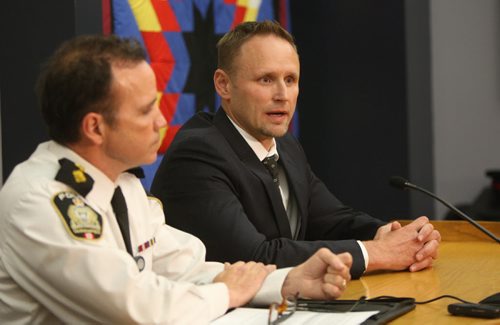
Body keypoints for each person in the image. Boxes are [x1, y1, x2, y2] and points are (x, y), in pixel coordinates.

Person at [0, 35, 353, 324]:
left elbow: (186, 267)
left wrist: (288, 282)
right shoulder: (40, 202)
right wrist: (228, 292)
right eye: (144, 110)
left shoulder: (121, 184)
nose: (160, 121)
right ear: (95, 127)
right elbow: (139, 311)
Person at [151, 20, 441, 280]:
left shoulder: (285, 145)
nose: (282, 95)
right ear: (224, 85)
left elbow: (331, 220)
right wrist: (376, 253)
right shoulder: (198, 153)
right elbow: (254, 258)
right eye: (266, 79)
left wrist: (392, 236)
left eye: (290, 80)